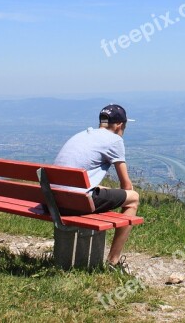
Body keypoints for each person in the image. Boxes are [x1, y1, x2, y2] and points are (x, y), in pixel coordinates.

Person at [53, 104, 140, 268]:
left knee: (104, 192)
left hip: (53, 200)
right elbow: (126, 185)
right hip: (76, 203)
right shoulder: (115, 140)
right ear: (120, 125)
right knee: (133, 199)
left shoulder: (82, 135)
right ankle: (113, 261)